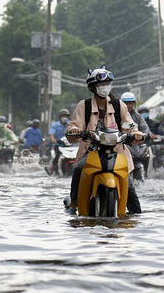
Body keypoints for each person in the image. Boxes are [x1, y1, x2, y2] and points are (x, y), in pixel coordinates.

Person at [65, 65, 144, 214]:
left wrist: (135, 133)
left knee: (130, 191)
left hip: (117, 152)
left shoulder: (118, 104)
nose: (105, 87)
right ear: (93, 87)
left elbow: (129, 124)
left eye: (107, 84)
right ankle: (74, 205)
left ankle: (136, 215)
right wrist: (74, 130)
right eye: (101, 84)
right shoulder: (84, 105)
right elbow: (74, 125)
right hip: (91, 151)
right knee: (79, 170)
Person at [48, 109, 71, 174]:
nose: (65, 118)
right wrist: (54, 140)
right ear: (60, 117)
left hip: (68, 145)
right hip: (58, 145)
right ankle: (52, 167)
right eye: (63, 116)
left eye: (66, 116)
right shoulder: (55, 125)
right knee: (57, 155)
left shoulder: (70, 125)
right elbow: (52, 135)